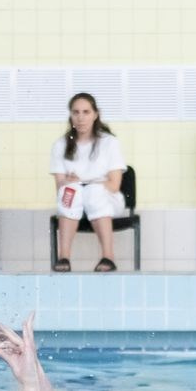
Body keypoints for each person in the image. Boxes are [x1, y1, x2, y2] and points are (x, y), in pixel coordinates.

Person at [48, 91, 127, 271]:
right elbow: (59, 186)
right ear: (70, 115)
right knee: (70, 191)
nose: (81, 118)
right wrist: (70, 182)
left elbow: (114, 185)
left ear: (95, 115)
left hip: (106, 200)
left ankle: (108, 257)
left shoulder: (109, 143)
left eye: (86, 112)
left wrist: (88, 183)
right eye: (76, 112)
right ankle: (64, 258)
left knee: (93, 192)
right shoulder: (60, 145)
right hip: (74, 202)